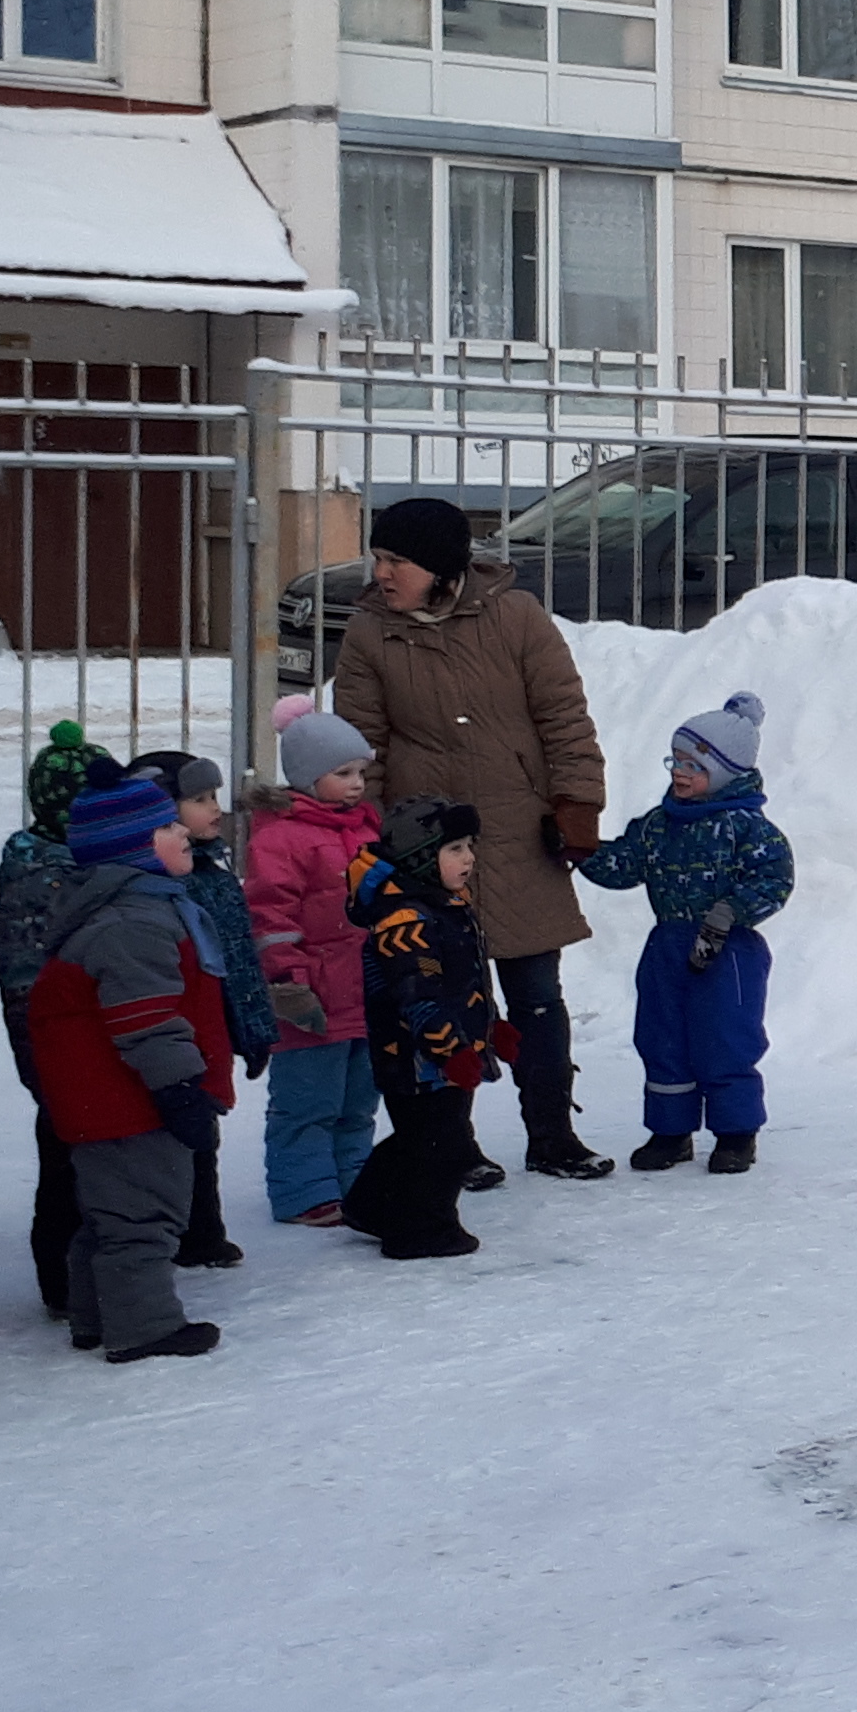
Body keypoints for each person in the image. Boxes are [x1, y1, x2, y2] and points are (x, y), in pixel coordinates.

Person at [330, 497, 614, 1180]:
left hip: (517, 833)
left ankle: (553, 1137)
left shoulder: (515, 616)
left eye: (396, 560)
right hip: (425, 854)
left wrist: (578, 803)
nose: (382, 572)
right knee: (439, 999)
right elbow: (363, 750)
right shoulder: (370, 633)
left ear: (438, 565)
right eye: (378, 557)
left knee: (537, 995)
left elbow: (563, 717)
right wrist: (373, 843)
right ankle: (450, 1146)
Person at [22, 771, 233, 1365]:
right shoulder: (133, 923)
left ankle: (94, 1317)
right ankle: (144, 1326)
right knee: (144, 1217)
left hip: (108, 1099)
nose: (182, 832)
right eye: (167, 826)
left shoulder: (144, 908)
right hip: (129, 1098)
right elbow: (145, 1018)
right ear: (135, 848)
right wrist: (179, 1088)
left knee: (110, 1215)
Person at [577, 691, 795, 1175]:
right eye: (675, 761)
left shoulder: (748, 828)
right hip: (669, 944)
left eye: (693, 764)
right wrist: (580, 848)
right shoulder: (659, 825)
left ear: (724, 771)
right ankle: (670, 1133)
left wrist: (729, 913)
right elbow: (624, 866)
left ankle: (736, 1133)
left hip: (728, 949)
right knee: (662, 1036)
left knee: (724, 1037)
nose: (679, 771)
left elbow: (774, 881)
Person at [337, 794, 495, 1262]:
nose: (468, 858)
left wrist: (493, 1028)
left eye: (469, 846)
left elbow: (468, 981)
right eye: (454, 849)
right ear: (421, 857)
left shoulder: (444, 905)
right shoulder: (406, 920)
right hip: (416, 1057)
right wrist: (449, 1049)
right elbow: (418, 994)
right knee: (440, 1144)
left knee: (423, 1136)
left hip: (446, 1052)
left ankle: (369, 1205)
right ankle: (422, 1230)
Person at [132, 751, 273, 1268]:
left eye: (213, 796)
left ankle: (201, 1230)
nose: (215, 808)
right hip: (178, 1027)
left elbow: (238, 958)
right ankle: (179, 1230)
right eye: (198, 799)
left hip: (212, 1024)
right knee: (173, 1129)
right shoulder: (166, 880)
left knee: (204, 1121)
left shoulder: (209, 865)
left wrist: (255, 1029)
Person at [245, 709, 382, 1229]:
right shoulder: (281, 838)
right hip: (311, 993)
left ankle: (355, 1182)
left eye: (360, 774)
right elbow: (270, 917)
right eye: (343, 774)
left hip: (363, 988)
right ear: (306, 775)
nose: (356, 785)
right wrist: (288, 983)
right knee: (306, 1099)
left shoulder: (365, 828)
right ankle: (303, 1191)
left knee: (358, 1098)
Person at [0, 722, 113, 1319]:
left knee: (74, 1150)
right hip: (59, 1039)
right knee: (69, 1155)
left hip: (61, 1037)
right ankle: (66, 1280)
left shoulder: (48, 861)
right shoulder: (57, 875)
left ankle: (83, 1272)